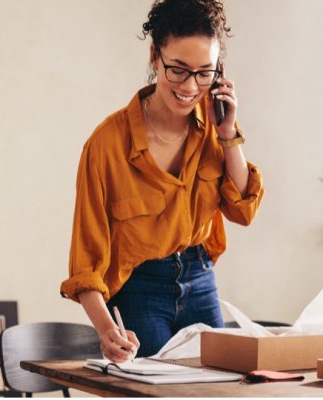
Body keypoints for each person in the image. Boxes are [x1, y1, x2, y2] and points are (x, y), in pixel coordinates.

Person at [60, 0, 264, 363]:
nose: (190, 86)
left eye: (205, 72)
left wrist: (228, 132)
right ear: (155, 56)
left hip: (200, 279)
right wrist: (108, 330)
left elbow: (243, 210)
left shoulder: (214, 128)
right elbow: (86, 263)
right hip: (140, 289)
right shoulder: (107, 145)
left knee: (220, 389)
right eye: (178, 70)